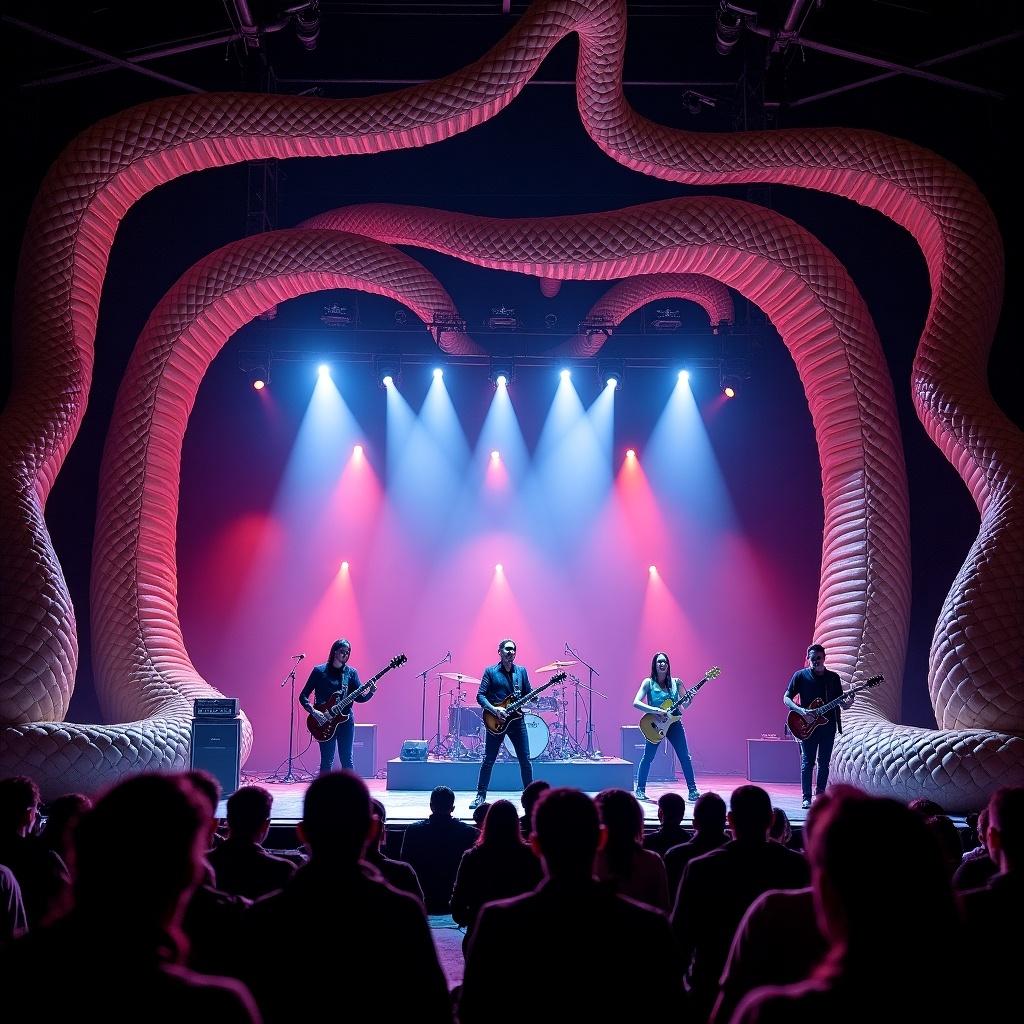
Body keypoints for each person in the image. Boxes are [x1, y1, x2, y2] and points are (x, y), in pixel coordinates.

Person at [459, 788, 682, 1024]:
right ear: (600, 838)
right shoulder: (650, 926)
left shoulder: (498, 921)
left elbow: (473, 1011)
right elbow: (671, 1010)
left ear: (535, 844)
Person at [783, 644, 854, 809]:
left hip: (827, 727)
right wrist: (802, 710)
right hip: (806, 726)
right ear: (808, 659)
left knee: (824, 763)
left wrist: (849, 703)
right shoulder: (800, 676)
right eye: (812, 659)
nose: (815, 661)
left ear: (824, 658)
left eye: (818, 658)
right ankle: (806, 797)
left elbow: (842, 704)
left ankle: (821, 796)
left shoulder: (833, 678)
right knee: (807, 763)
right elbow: (786, 698)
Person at [470, 638, 534, 810]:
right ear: (500, 651)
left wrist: (534, 697)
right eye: (507, 649)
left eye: (513, 649)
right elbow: (480, 696)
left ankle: (531, 798)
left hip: (516, 721)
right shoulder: (490, 672)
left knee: (525, 761)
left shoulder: (521, 672)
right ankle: (480, 795)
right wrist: (494, 709)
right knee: (488, 760)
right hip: (495, 722)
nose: (510, 652)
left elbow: (528, 692)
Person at [299, 637, 376, 775]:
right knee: (327, 760)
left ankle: (350, 794)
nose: (345, 654)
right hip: (324, 721)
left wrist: (370, 693)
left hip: (346, 721)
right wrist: (315, 712)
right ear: (334, 651)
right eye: (342, 651)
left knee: (347, 759)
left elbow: (359, 697)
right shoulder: (319, 671)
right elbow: (303, 696)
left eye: (348, 652)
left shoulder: (351, 673)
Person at [632, 651, 700, 802]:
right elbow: (636, 702)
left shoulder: (677, 683)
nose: (662, 664)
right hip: (655, 725)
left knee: (684, 757)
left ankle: (693, 790)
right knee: (648, 757)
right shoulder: (648, 682)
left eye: (665, 662)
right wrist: (655, 710)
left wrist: (691, 697)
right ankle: (640, 790)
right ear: (654, 665)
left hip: (674, 724)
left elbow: (685, 706)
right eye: (659, 662)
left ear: (668, 665)